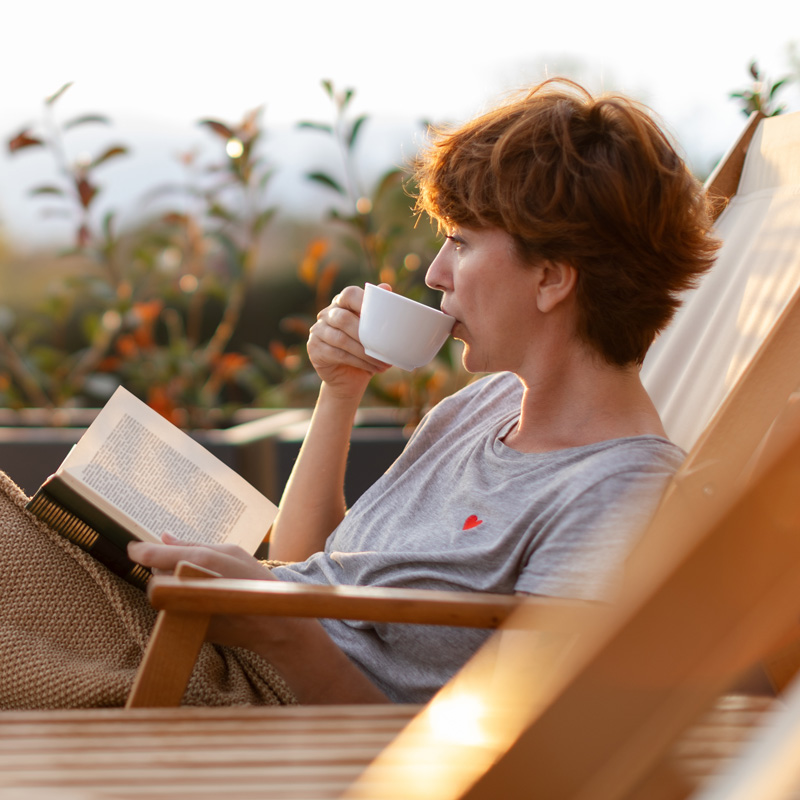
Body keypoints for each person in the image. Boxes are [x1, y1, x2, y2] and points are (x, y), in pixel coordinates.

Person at [1, 78, 719, 709]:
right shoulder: (479, 410)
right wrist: (339, 394)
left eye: (462, 243)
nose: (436, 273)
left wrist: (278, 626)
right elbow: (312, 556)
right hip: (226, 645)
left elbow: (515, 743)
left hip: (250, 692)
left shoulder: (616, 492)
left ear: (552, 277)